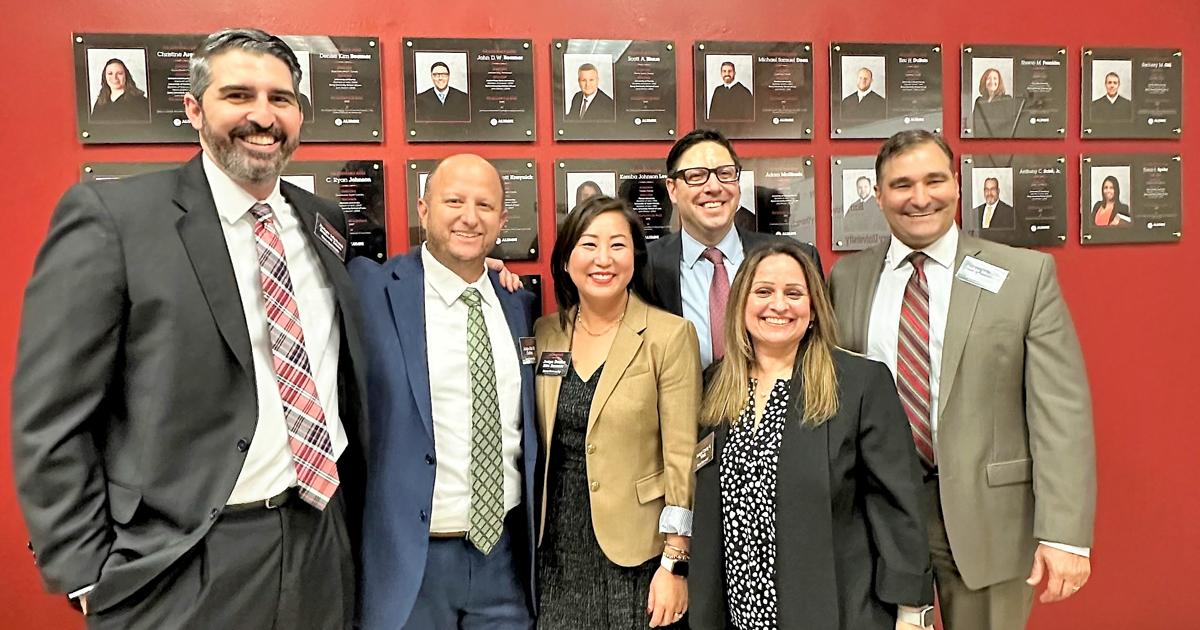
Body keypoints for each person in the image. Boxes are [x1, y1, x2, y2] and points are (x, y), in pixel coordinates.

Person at [13, 28, 368, 630]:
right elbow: (51, 414)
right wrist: (85, 571)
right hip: (183, 557)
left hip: (318, 542)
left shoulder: (320, 218)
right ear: (194, 109)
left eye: (281, 99)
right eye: (239, 95)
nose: (263, 116)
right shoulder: (116, 219)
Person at [827, 130, 1096, 630]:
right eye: (902, 184)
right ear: (879, 194)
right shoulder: (848, 279)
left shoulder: (1023, 275)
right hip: (875, 511)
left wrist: (1065, 535)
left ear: (957, 183)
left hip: (988, 517)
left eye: (934, 180)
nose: (920, 197)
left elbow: (1061, 410)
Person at [690, 240, 935, 630]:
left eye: (794, 293)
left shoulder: (859, 385)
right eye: (764, 292)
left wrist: (911, 610)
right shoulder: (715, 386)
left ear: (814, 308)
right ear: (740, 304)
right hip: (738, 614)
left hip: (836, 609)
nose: (779, 305)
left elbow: (898, 504)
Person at [349, 154, 538, 630]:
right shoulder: (368, 289)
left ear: (502, 220)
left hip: (504, 562)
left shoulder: (520, 304)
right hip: (411, 564)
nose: (469, 217)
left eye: (485, 205)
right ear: (424, 209)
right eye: (454, 201)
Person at [534, 194, 701, 629]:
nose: (603, 258)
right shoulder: (546, 332)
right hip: (555, 552)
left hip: (640, 552)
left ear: (635, 257)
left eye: (618, 245)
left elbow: (681, 459)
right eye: (588, 244)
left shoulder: (669, 336)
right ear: (567, 259)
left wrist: (676, 561)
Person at [650, 129, 822, 369]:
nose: (713, 187)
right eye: (697, 176)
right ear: (672, 189)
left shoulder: (797, 259)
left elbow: (817, 350)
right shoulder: (644, 266)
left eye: (725, 174)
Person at [89, 57, 150, 123]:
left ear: (126, 76)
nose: (114, 77)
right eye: (110, 73)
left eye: (119, 73)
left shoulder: (140, 102)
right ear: (104, 77)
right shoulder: (100, 103)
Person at [970, 68, 1018, 138]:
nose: (992, 81)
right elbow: (975, 125)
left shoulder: (1006, 100)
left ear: (999, 82)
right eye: (988, 78)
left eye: (995, 78)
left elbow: (1009, 127)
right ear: (984, 81)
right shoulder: (979, 101)